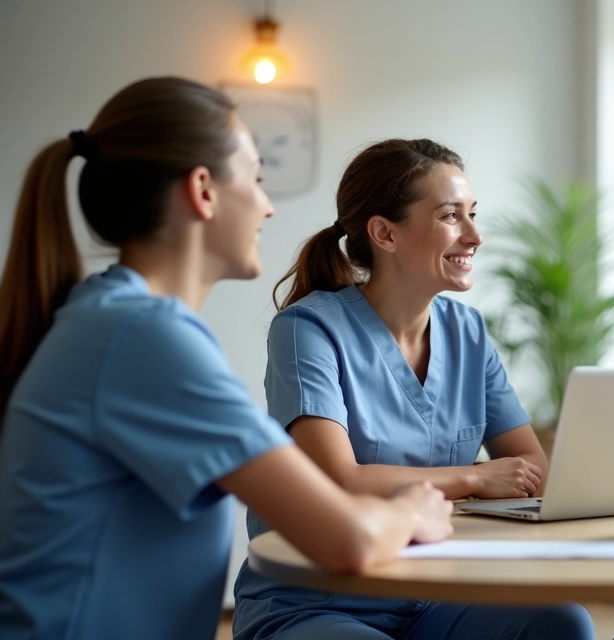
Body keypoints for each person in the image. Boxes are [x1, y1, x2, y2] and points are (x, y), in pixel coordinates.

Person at [0, 78, 453, 640]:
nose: (266, 206)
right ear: (203, 191)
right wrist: (413, 509)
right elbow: (349, 538)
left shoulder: (120, 323)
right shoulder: (144, 337)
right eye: (257, 179)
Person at [232, 138, 595, 640]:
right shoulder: (307, 330)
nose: (475, 236)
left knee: (563, 621)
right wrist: (473, 479)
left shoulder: (467, 332)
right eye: (451, 216)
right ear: (384, 233)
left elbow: (534, 472)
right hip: (320, 600)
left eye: (473, 214)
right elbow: (336, 479)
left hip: (435, 596)